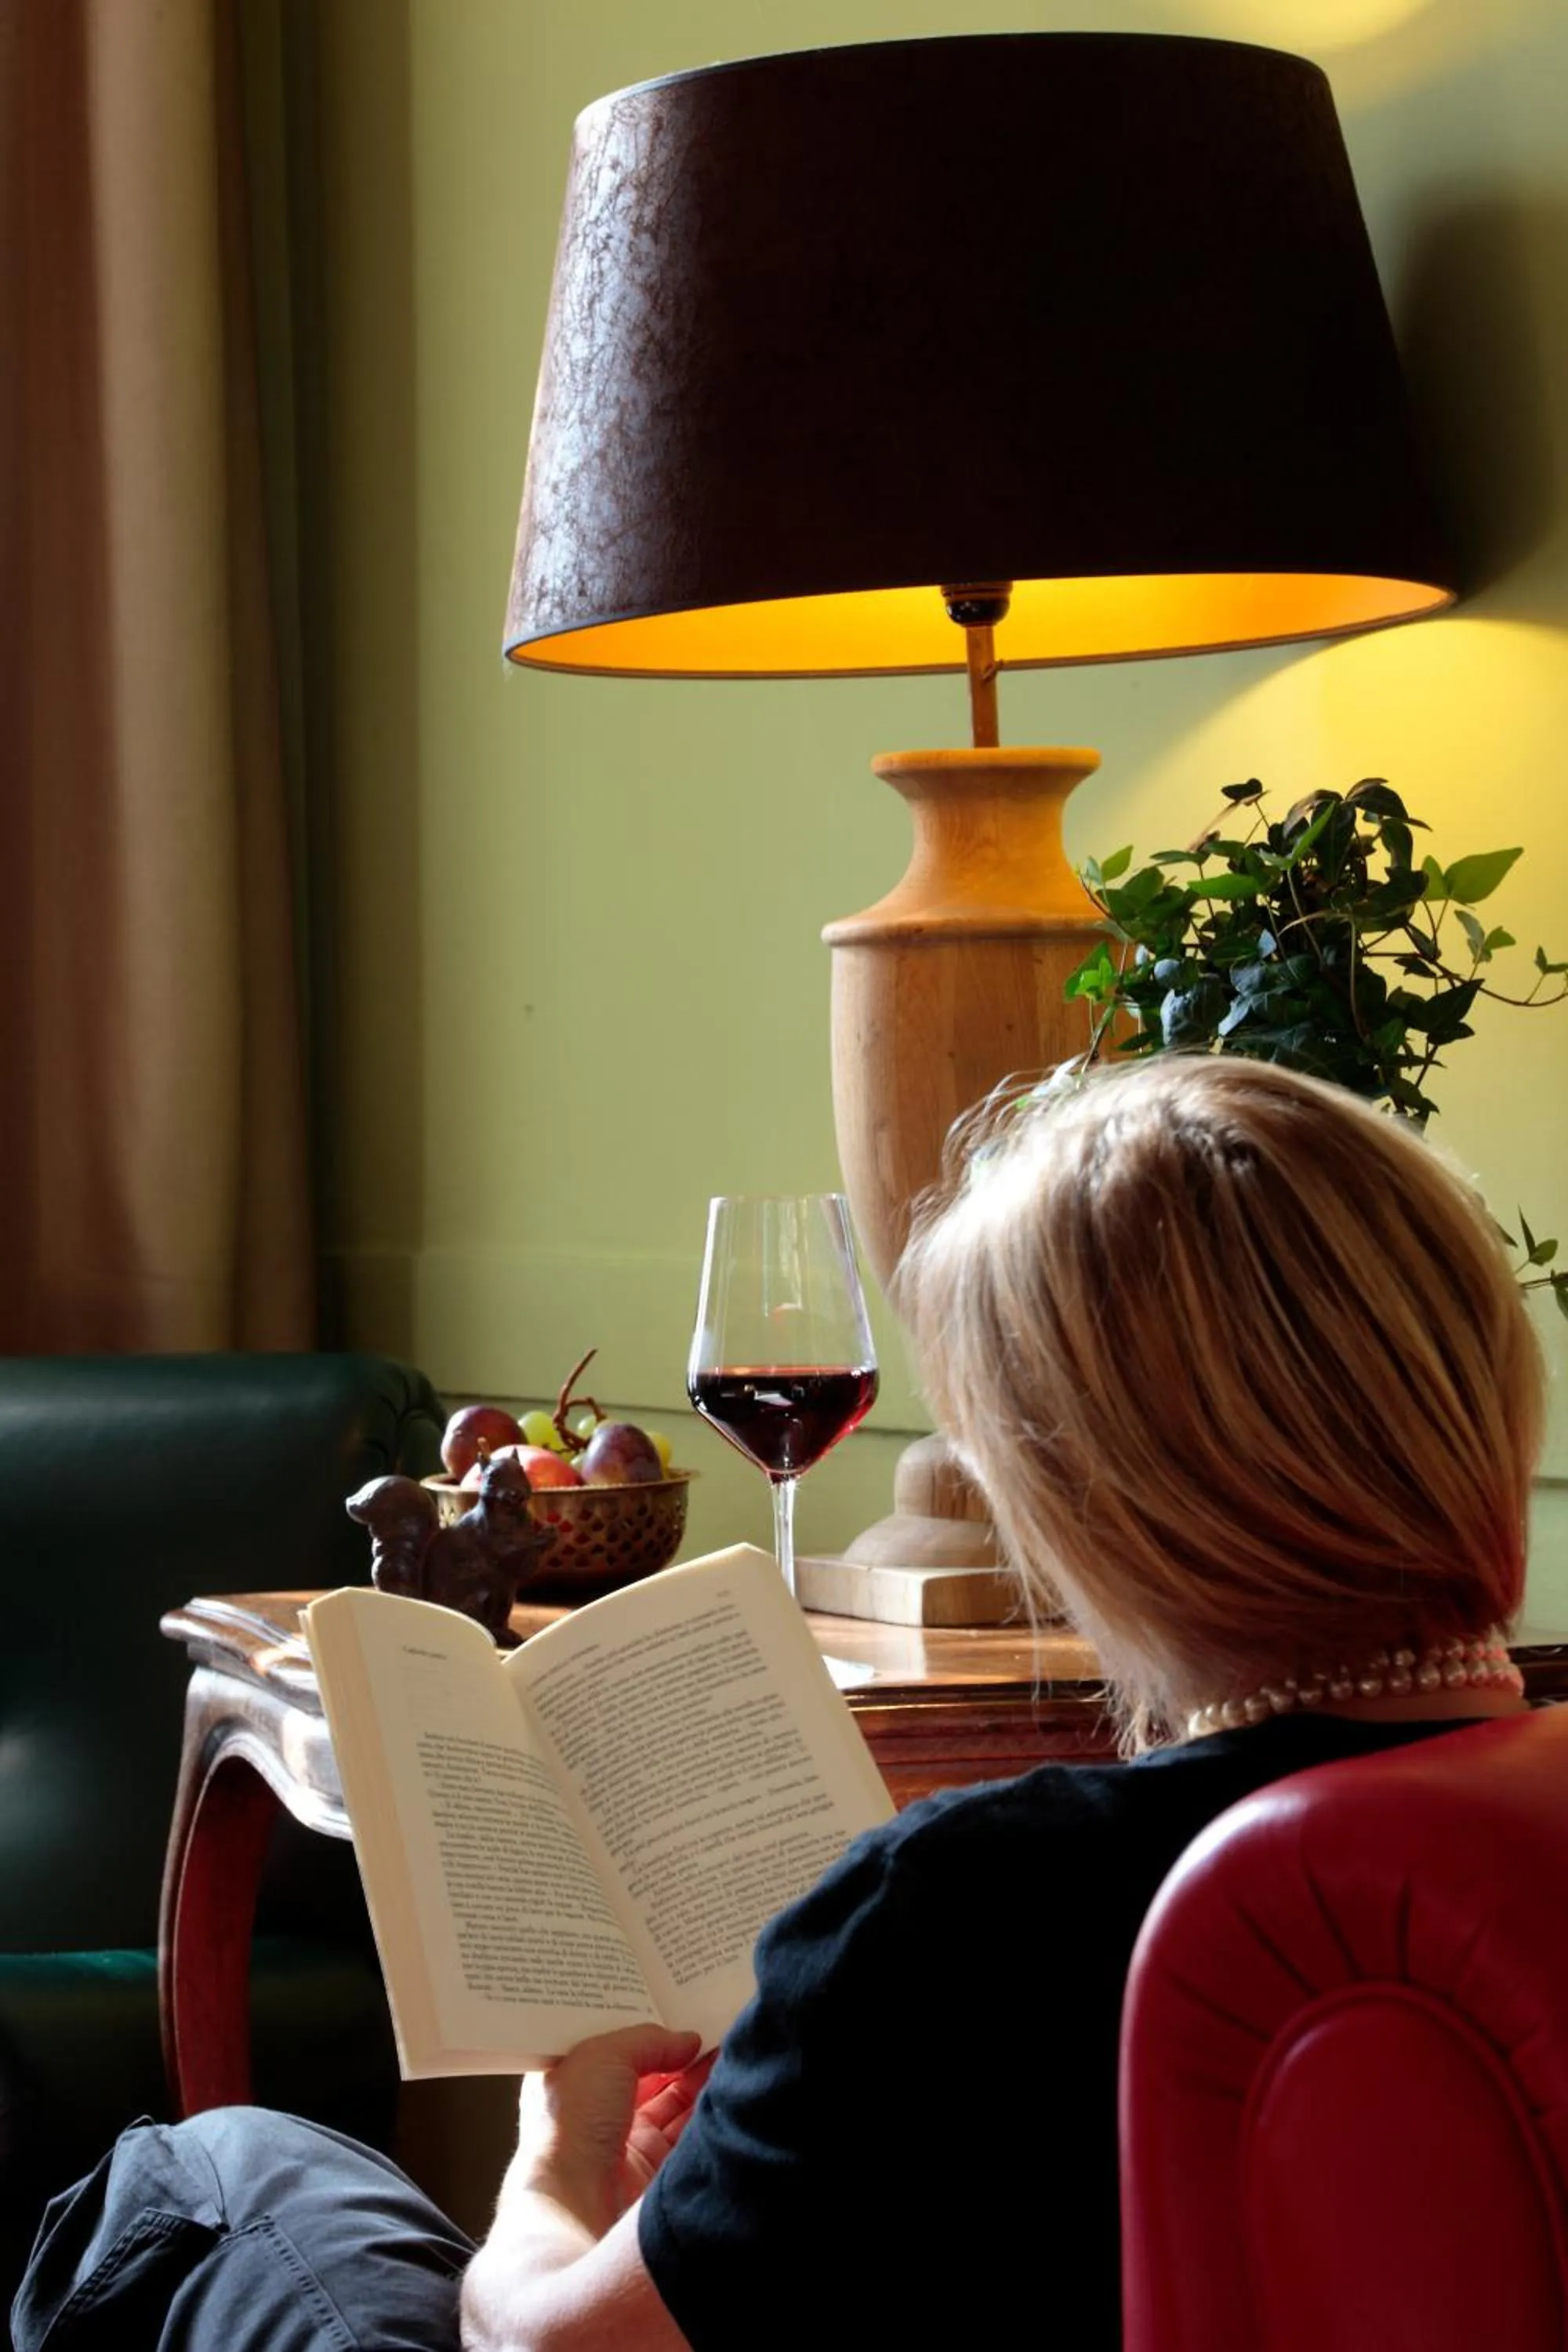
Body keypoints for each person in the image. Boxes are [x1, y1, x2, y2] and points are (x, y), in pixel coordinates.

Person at [13, 1055, 1544, 2352]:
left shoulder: (968, 1903)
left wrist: (564, 2155)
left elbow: (542, 2339)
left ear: (1084, 1490)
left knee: (211, 2177)